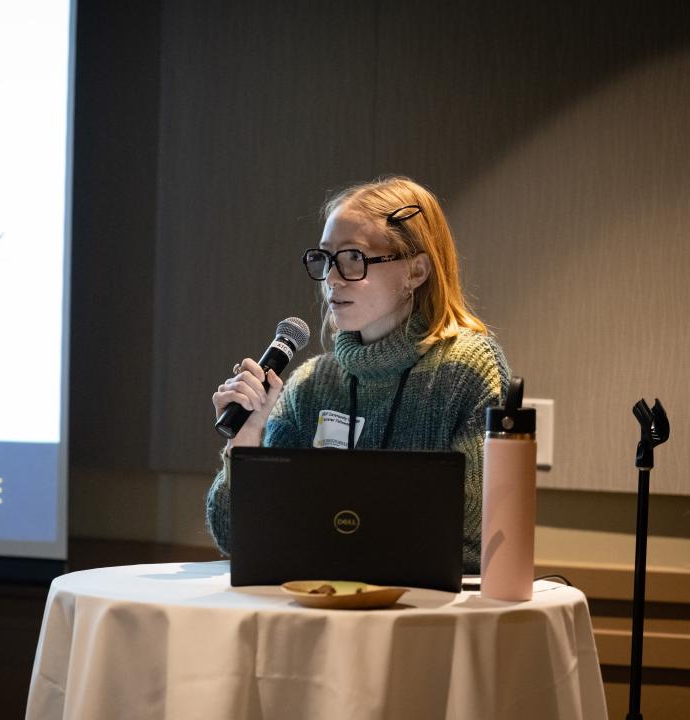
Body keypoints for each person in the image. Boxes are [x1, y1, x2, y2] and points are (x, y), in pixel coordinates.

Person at [206, 176, 510, 574]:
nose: (332, 278)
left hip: (422, 613)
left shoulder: (466, 369)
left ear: (416, 271)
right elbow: (239, 537)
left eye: (353, 258)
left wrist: (323, 529)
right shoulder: (311, 385)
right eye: (326, 259)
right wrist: (248, 439)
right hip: (321, 607)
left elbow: (473, 533)